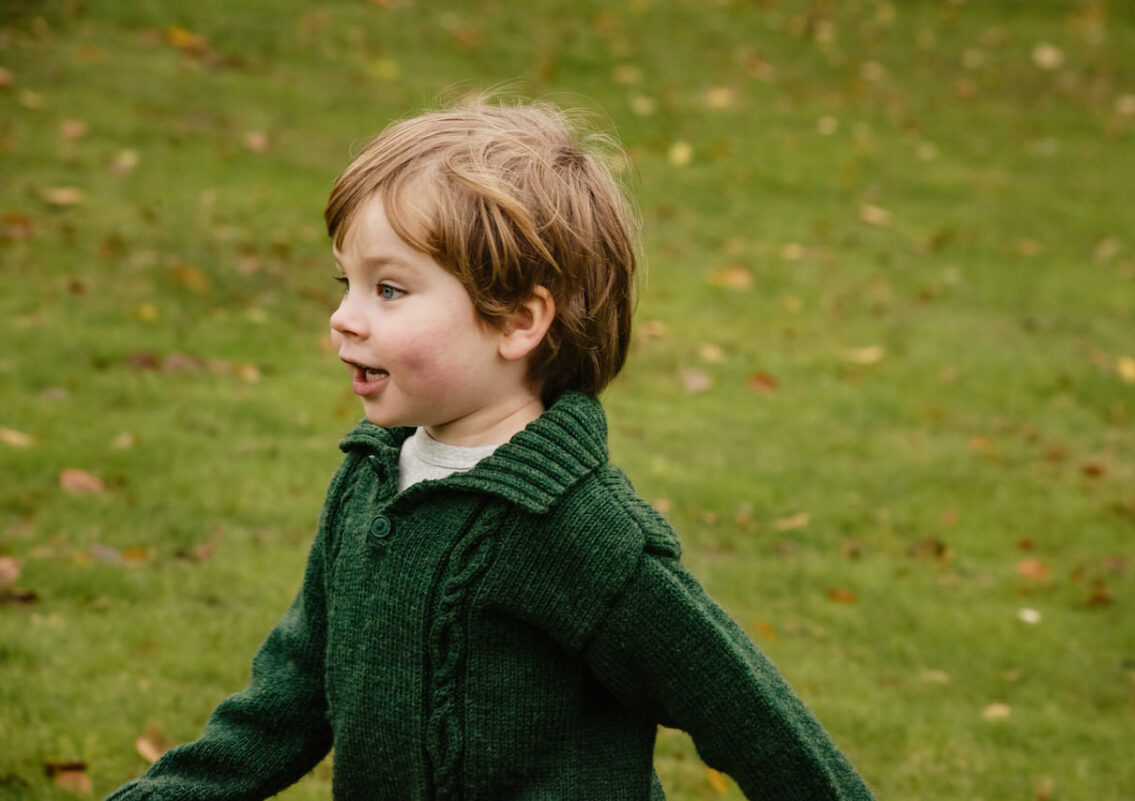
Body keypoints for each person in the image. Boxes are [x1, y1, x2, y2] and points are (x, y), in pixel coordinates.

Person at [105, 100, 875, 801]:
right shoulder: (370, 480)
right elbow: (292, 694)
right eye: (345, 281)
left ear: (517, 321)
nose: (344, 317)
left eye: (390, 290)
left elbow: (744, 707)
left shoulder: (578, 529)